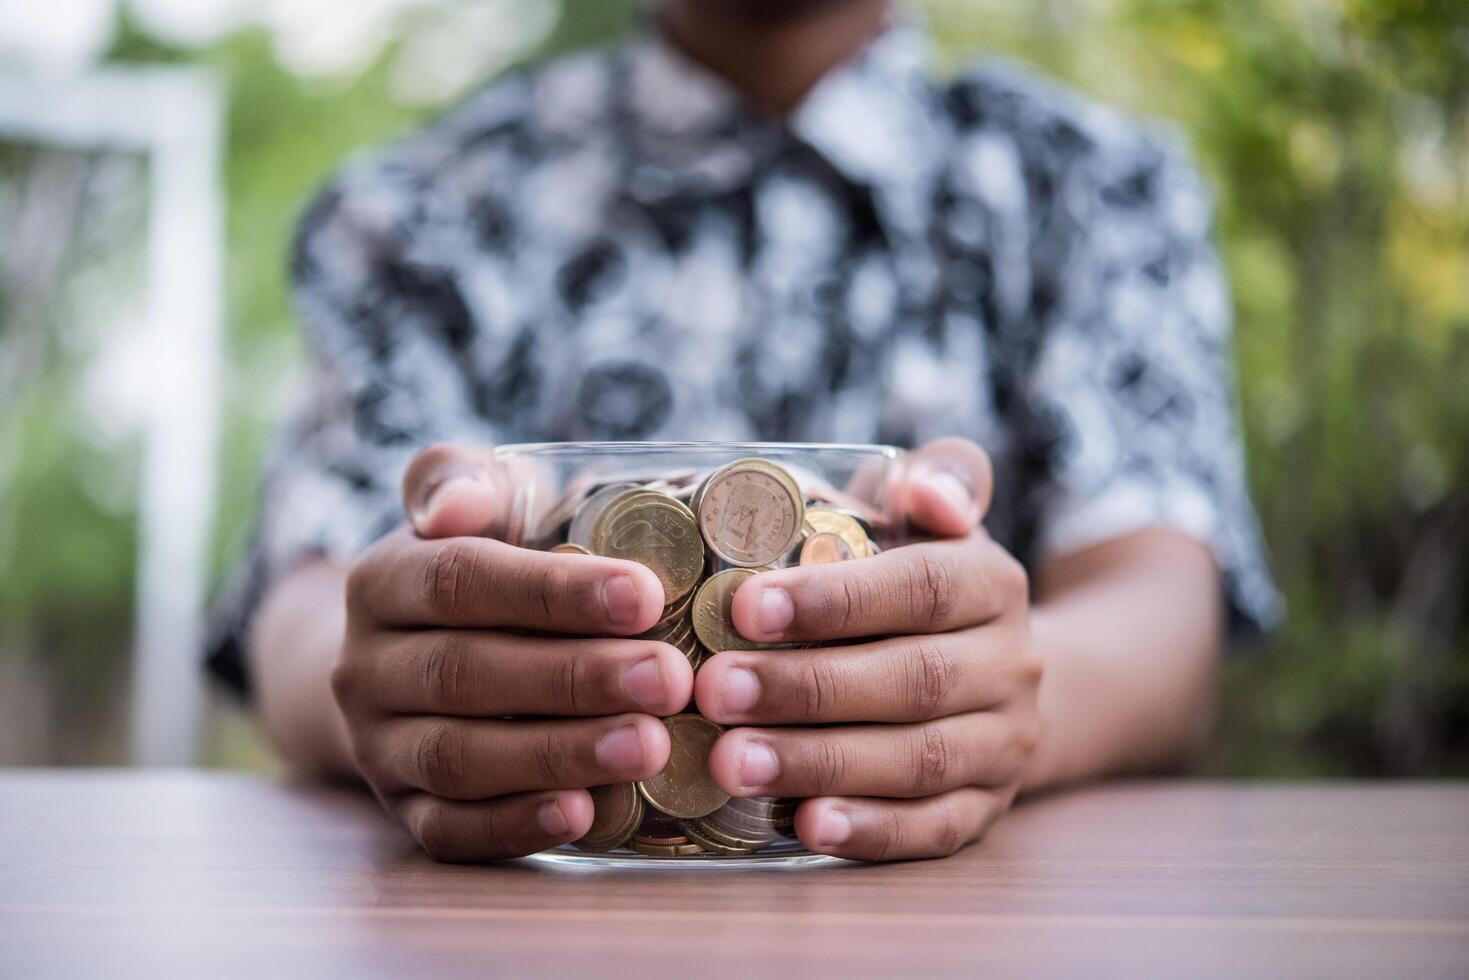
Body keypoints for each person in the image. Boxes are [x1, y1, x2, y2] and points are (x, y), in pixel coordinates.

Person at [209, 0, 1279, 862]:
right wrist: (386, 666)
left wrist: (1007, 694)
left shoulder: (1093, 189)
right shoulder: (413, 215)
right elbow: (306, 597)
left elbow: (1160, 601)